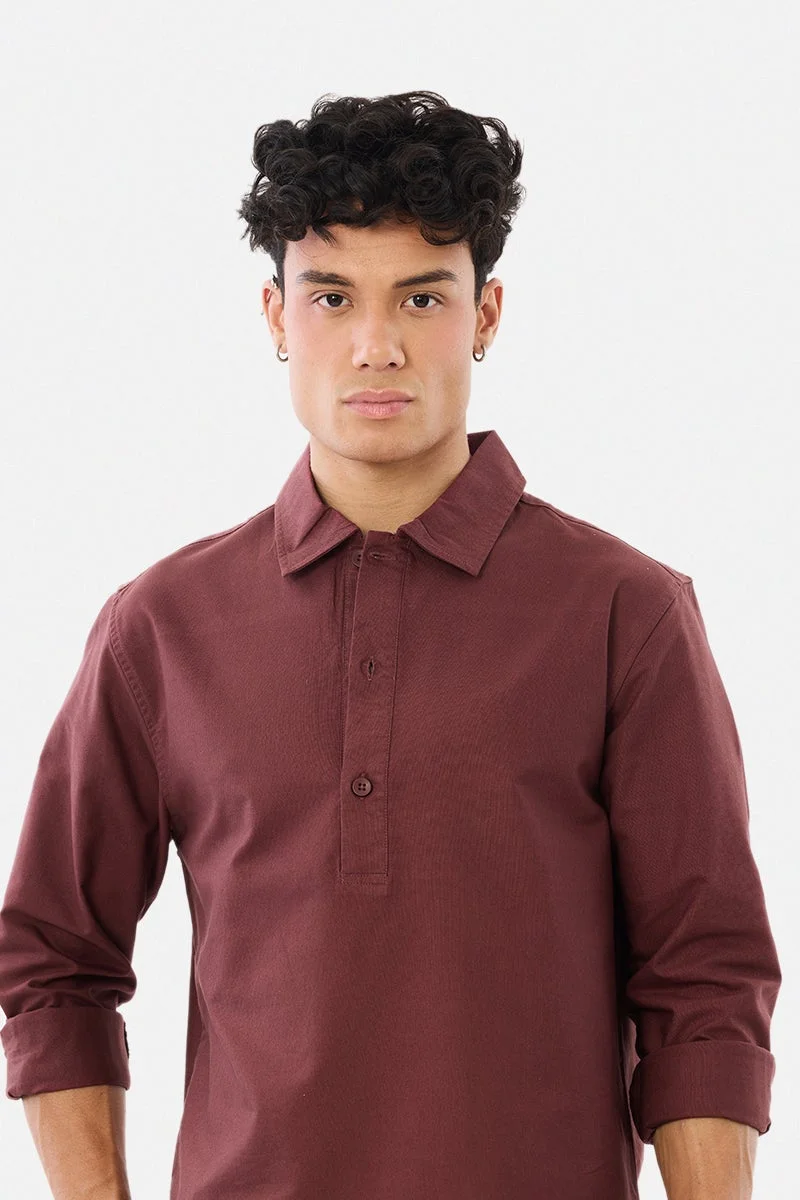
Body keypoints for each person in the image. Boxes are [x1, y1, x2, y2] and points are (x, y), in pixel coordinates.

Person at [0, 89, 781, 1200]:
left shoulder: (624, 613)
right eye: (331, 297)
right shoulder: (161, 626)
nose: (376, 345)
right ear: (276, 317)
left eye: (421, 296)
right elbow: (54, 960)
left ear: (485, 313)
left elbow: (701, 984)